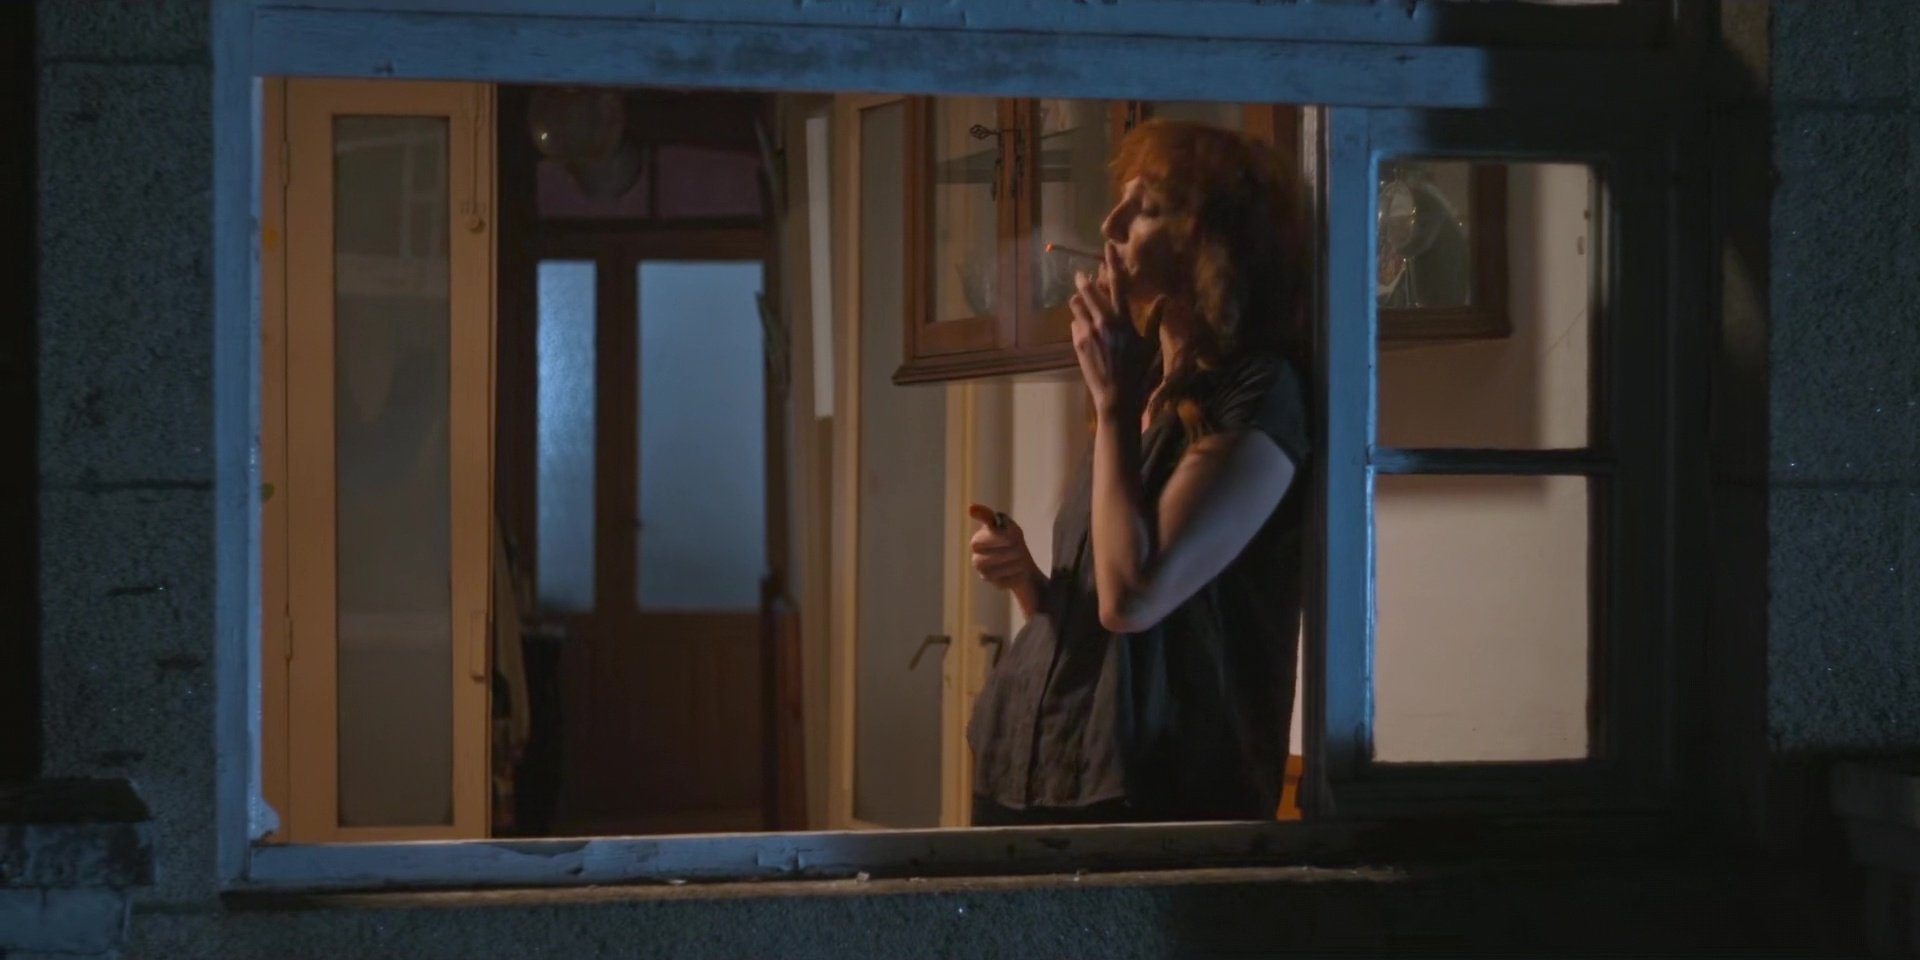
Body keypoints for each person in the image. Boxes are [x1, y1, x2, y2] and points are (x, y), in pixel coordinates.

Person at [965, 119, 1313, 825]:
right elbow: (1106, 628)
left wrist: (1113, 405)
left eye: (1145, 208)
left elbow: (1133, 600)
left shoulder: (1258, 392)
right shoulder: (1148, 382)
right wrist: (1030, 581)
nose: (1109, 224)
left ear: (1214, 246)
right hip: (1039, 767)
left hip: (1155, 797)